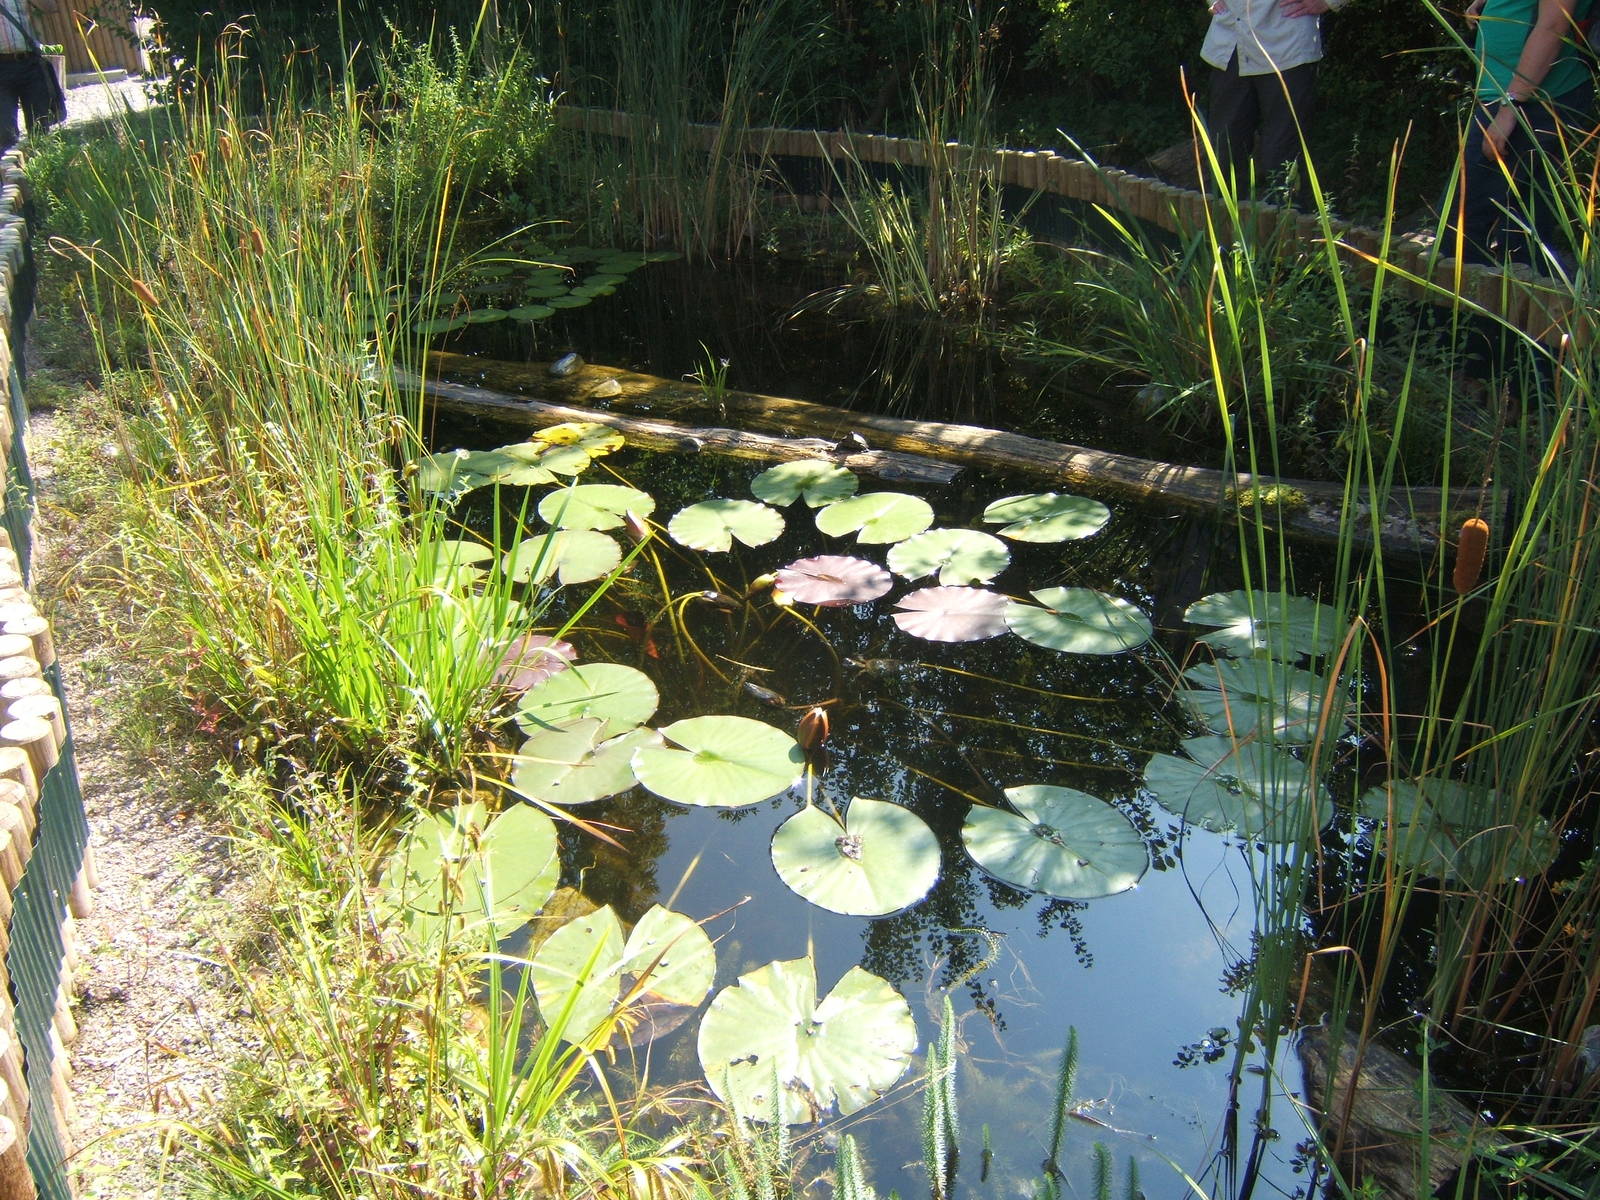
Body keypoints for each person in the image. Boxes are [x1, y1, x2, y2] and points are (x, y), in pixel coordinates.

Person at [1448, 0, 1597, 269]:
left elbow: (1553, 25)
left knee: (1464, 229)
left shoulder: (1515, 105)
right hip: (1511, 95)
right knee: (1519, 228)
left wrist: (1510, 107)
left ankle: (1459, 310)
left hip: (1533, 100)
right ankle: (1522, 306)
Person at [1200, 0, 1350, 197]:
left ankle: (1285, 223)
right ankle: (1224, 225)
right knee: (1225, 155)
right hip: (1229, 43)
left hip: (1287, 45)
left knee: (1282, 159)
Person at [0, 0, 53, 152]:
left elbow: (50, 7)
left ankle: (44, 171)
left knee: (40, 125)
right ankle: (10, 174)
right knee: (5, 132)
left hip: (29, 62)